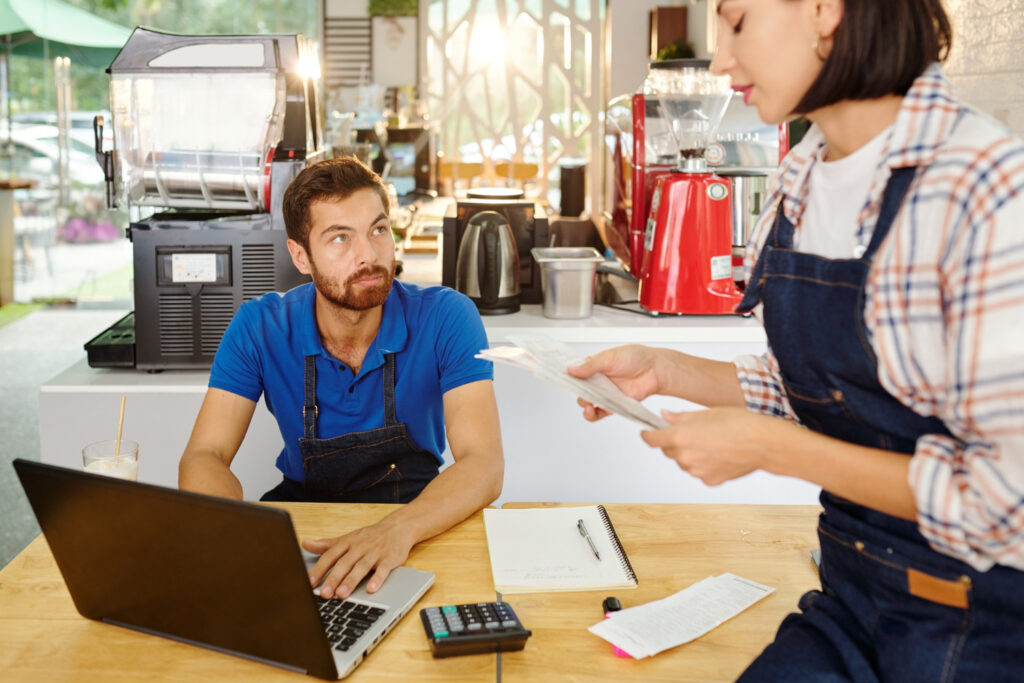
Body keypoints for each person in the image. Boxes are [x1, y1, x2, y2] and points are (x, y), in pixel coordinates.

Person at [571, 1, 1024, 680]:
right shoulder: (802, 178)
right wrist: (664, 368)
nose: (721, 59)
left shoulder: (983, 188)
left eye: (737, 22)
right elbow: (820, 390)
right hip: (852, 600)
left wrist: (773, 452)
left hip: (979, 624)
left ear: (824, 10)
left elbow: (1005, 498)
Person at [180, 157, 503, 600]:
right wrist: (232, 530)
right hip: (306, 532)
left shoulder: (448, 316)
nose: (368, 255)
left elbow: (483, 464)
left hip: (419, 523)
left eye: (378, 230)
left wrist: (394, 531)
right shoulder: (259, 327)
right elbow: (205, 454)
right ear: (301, 256)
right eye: (339, 238)